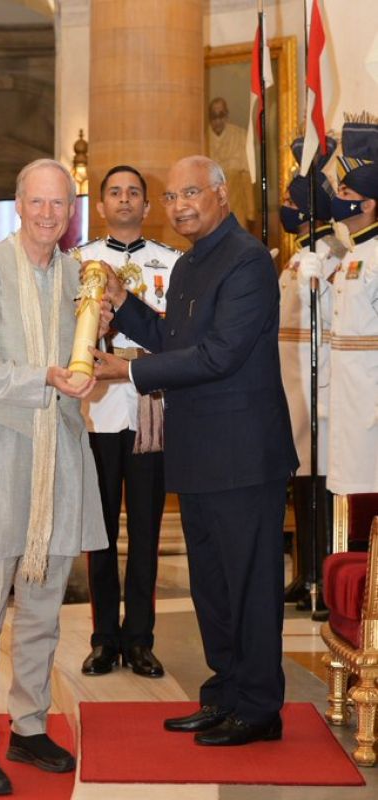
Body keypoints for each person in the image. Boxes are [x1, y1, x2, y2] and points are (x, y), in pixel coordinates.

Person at [92, 155, 298, 746]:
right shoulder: (188, 267)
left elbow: (220, 355)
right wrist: (123, 302)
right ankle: (224, 693)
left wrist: (125, 372)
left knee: (249, 583)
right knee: (210, 584)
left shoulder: (248, 261)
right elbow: (171, 339)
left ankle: (259, 707)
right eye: (173, 195)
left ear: (220, 195)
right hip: (199, 454)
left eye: (191, 193)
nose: (180, 204)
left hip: (243, 456)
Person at [0, 158, 107, 796]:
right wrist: (45, 378)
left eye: (58, 205)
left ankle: (30, 725)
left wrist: (90, 372)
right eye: (37, 203)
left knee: (42, 610)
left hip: (60, 455)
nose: (47, 214)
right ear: (18, 205)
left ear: (71, 213)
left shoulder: (78, 277)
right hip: (0, 455)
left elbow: (83, 357)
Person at [73, 165, 180, 679]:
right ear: (100, 205)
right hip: (94, 408)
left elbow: (177, 336)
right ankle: (102, 639)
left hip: (147, 409)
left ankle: (139, 638)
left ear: (146, 205)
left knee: (144, 529)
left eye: (133, 193)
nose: (123, 200)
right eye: (113, 192)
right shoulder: (78, 261)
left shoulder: (173, 262)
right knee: (99, 533)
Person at [277, 136, 342, 616]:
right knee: (300, 478)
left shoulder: (334, 254)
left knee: (321, 478)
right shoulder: (297, 257)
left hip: (320, 390)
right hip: (292, 386)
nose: (284, 206)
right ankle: (304, 569)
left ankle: (324, 570)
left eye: (290, 199)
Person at [319, 114, 378, 497]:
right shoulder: (354, 255)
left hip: (370, 398)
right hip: (347, 397)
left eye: (346, 195)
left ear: (369, 204)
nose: (337, 202)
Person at [207, 97, 255, 231]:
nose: (217, 120)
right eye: (214, 116)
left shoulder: (240, 136)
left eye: (221, 115)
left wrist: (251, 212)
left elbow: (246, 177)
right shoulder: (202, 137)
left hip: (236, 206)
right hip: (211, 210)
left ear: (227, 115)